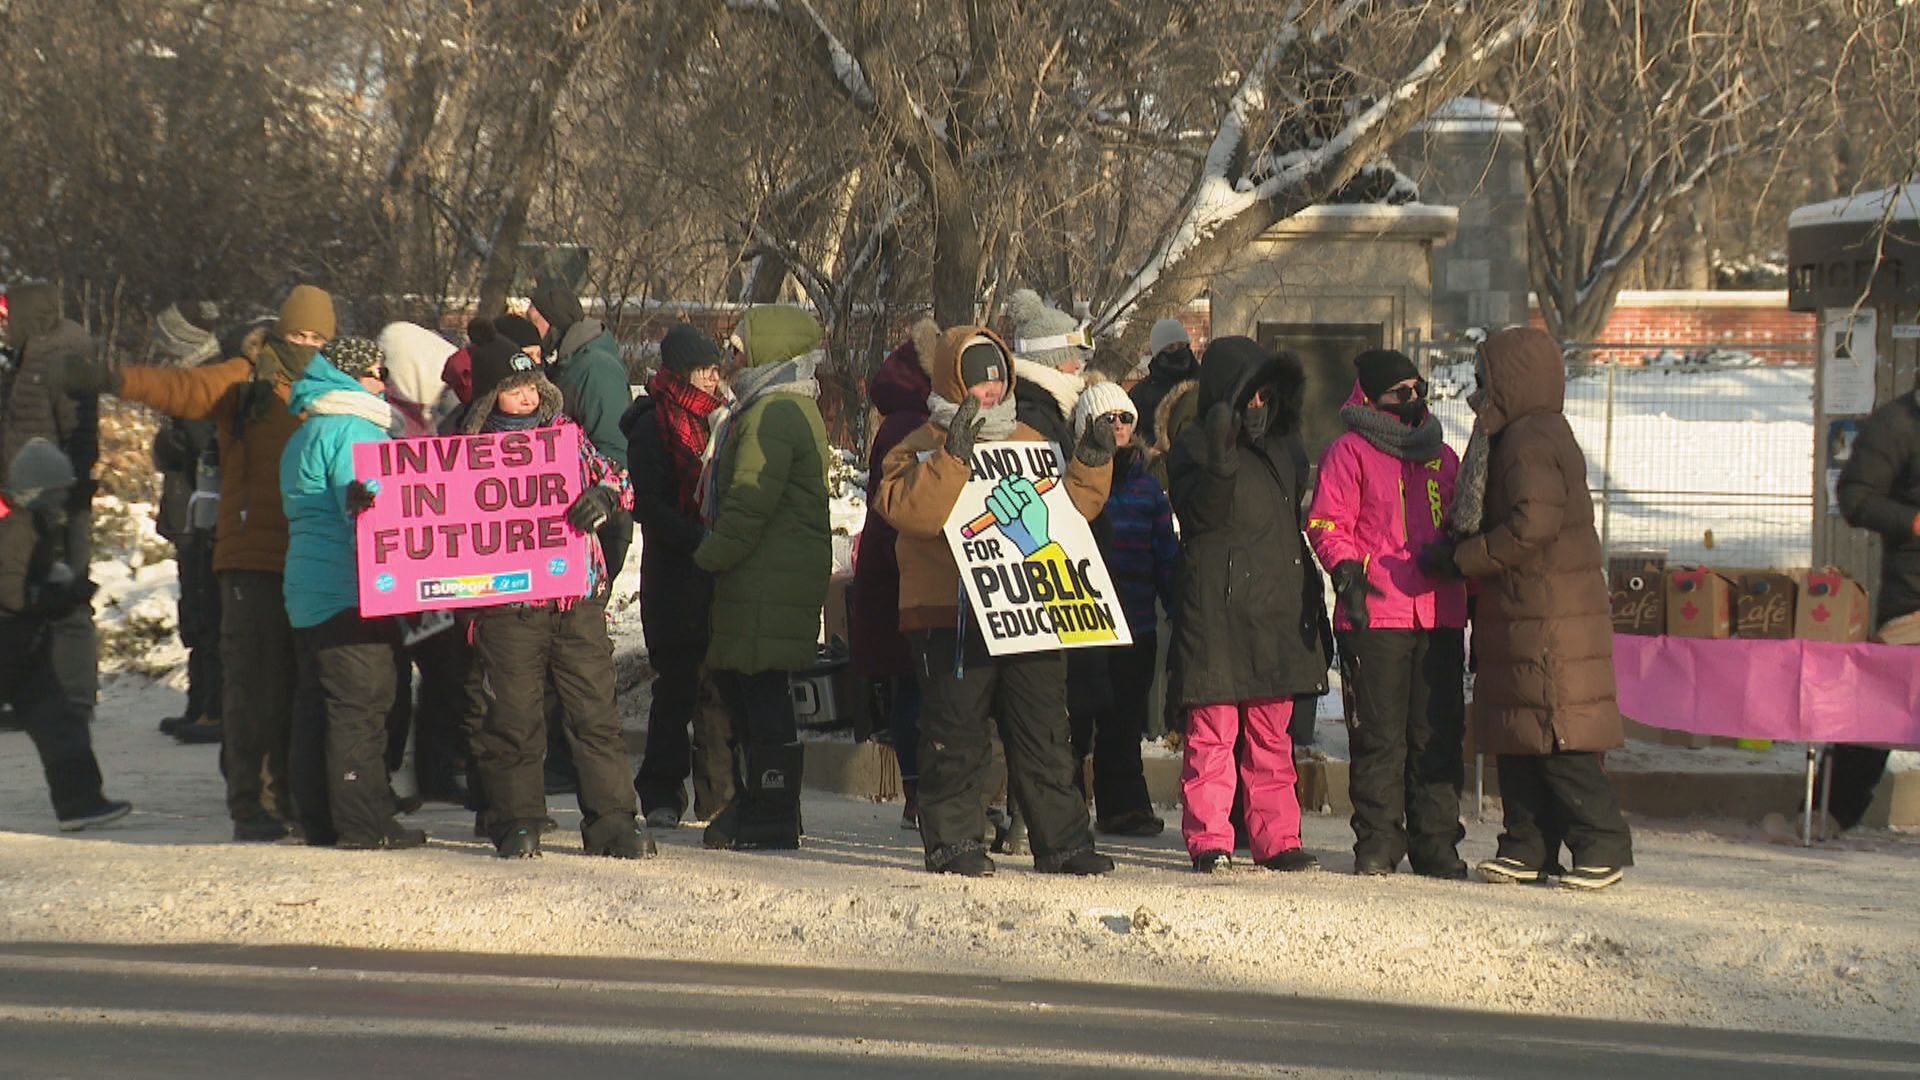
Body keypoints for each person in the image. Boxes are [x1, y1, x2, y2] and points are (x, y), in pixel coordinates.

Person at [87, 284, 337, 841]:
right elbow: (184, 389)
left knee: (303, 686)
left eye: (318, 337)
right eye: (298, 334)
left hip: (315, 557)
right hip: (251, 556)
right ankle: (251, 803)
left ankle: (295, 795)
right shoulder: (244, 378)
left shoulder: (333, 388)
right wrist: (115, 379)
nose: (307, 345)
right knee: (253, 685)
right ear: (280, 332)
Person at [875, 324, 1119, 877]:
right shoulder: (916, 446)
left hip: (1027, 608)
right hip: (949, 614)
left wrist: (1091, 461)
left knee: (1044, 729)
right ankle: (954, 841)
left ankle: (1062, 841)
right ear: (953, 383)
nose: (989, 392)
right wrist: (953, 457)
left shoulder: (1030, 441)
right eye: (978, 382)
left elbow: (1069, 513)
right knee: (955, 732)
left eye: (997, 381)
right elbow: (911, 512)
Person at [1428, 326, 1632, 891]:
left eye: (1484, 378)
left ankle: (1601, 843)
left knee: (1558, 738)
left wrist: (1462, 559)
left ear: (1512, 381)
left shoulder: (1530, 438)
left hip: (1547, 619)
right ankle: (1526, 845)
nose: (1476, 390)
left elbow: (1530, 525)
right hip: (1521, 612)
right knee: (1519, 737)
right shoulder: (1517, 433)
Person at [460, 339, 652, 860]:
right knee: (514, 718)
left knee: (595, 713)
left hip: (575, 600)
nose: (526, 397)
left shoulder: (565, 436)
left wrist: (604, 497)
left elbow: (619, 480)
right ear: (489, 397)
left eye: (531, 385)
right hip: (507, 607)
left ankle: (613, 819)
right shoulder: (464, 451)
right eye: (513, 389)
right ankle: (517, 820)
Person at [1165, 337, 1326, 874]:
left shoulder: (1286, 445)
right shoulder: (1193, 447)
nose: (1257, 406)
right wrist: (1221, 458)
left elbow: (1290, 525)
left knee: (1271, 737)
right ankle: (1210, 838)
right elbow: (1201, 517)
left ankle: (1277, 838)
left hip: (1274, 610)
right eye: (1248, 396)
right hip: (1217, 610)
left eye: (1265, 396)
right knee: (1212, 734)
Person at [1308, 350, 1469, 878]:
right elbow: (1327, 522)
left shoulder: (1443, 456)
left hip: (1439, 614)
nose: (1413, 399)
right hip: (1376, 615)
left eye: (1418, 389)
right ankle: (1378, 841)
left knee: (1436, 735)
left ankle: (1436, 842)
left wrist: (1458, 555)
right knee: (1379, 738)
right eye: (1401, 392)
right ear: (1373, 397)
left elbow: (1465, 521)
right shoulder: (1349, 452)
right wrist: (1346, 570)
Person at [693, 305, 833, 851]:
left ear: (768, 348)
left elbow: (749, 504)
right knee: (757, 688)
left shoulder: (772, 412)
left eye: (740, 345)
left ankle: (769, 810)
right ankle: (767, 805)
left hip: (766, 575)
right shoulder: (781, 404)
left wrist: (707, 556)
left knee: (761, 692)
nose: (730, 356)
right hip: (772, 572)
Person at [279, 336, 425, 849]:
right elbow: (366, 514)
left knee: (316, 705)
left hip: (308, 588)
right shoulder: (355, 428)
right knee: (362, 706)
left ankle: (316, 817)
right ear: (348, 376)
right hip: (351, 587)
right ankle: (365, 823)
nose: (383, 381)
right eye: (375, 371)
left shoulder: (307, 429)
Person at [625, 324, 735, 828]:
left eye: (715, 369)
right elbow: (648, 505)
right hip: (673, 574)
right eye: (702, 370)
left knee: (715, 688)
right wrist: (697, 538)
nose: (712, 378)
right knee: (676, 689)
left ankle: (719, 795)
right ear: (679, 372)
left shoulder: (722, 419)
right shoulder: (653, 423)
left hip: (714, 572)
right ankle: (660, 792)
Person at [1065, 379, 1176, 837]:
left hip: (1136, 622)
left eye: (1125, 418)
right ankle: (1066, 808)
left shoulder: (1148, 487)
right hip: (1081, 623)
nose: (1117, 426)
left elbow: (1164, 554)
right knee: (1074, 722)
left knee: (1124, 722)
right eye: (1106, 419)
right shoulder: (1070, 479)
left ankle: (1123, 806)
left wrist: (1178, 602)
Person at [0, 439, 130, 830]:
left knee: (59, 722)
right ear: (39, 491)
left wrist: (61, 590)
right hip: (11, 643)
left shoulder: (33, 521)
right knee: (57, 721)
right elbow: (11, 593)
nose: (62, 501)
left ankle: (81, 802)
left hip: (23, 646)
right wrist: (58, 596)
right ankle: (79, 802)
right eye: (57, 492)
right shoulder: (18, 526)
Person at [0, 282, 103, 740]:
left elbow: (80, 432)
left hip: (56, 497)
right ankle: (29, 692)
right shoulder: (24, 355)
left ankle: (75, 697)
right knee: (22, 591)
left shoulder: (62, 356)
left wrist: (68, 490)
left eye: (6, 317)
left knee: (66, 593)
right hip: (21, 497)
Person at [850, 318, 938, 830]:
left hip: (893, 565)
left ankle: (919, 792)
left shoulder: (903, 420)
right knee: (917, 684)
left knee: (912, 682)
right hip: (904, 567)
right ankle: (920, 792)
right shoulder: (913, 426)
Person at [1827, 376, 1920, 829]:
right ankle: (1830, 811)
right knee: (1874, 706)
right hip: (1914, 599)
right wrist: (1915, 522)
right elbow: (1855, 496)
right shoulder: (1898, 423)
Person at [147, 301, 227, 743]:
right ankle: (199, 702)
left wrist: (170, 442)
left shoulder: (206, 382)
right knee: (194, 611)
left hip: (201, 512)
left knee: (205, 608)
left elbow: (201, 448)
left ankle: (213, 707)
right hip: (189, 509)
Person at [527, 279, 634, 576]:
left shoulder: (596, 369)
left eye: (533, 323)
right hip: (571, 517)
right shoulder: (564, 366)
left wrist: (604, 496)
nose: (530, 331)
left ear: (554, 323)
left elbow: (617, 448)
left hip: (598, 520)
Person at [1002, 288, 1088, 449]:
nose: (1078, 365)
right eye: (1072, 356)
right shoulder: (1035, 415)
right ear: (1054, 360)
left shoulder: (1038, 401)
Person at [1130, 318, 1199, 448]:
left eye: (1181, 345)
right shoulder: (1141, 394)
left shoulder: (1204, 384)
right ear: (1158, 353)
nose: (1178, 351)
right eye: (1171, 347)